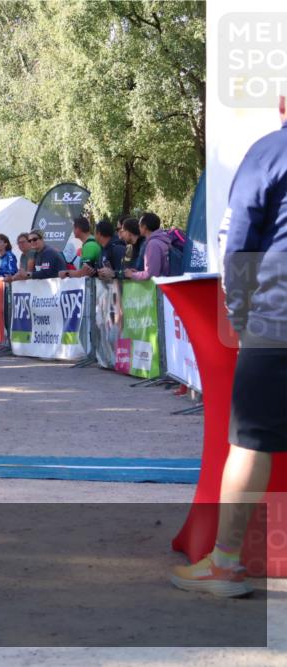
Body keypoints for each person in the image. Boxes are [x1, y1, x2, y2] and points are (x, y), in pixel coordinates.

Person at [170, 96, 287, 598]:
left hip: (276, 321)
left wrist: (238, 313)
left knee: (250, 443)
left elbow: (237, 240)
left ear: (283, 104)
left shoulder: (268, 152)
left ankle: (225, 565)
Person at [124, 213, 171, 280]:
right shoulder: (160, 240)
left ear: (145, 227)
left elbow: (151, 274)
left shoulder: (153, 244)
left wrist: (132, 275)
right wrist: (138, 273)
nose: (138, 227)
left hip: (159, 288)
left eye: (139, 225)